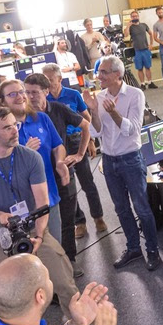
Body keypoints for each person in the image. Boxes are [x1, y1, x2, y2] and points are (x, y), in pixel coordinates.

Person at [0, 106, 83, 320]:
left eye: (14, 125)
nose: (15, 130)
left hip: (33, 229)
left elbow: (42, 201)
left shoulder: (30, 157)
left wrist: (38, 236)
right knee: (10, 297)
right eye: (7, 127)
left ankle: (80, 322)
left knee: (64, 281)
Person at [84, 56, 161, 271]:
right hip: (108, 160)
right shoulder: (99, 97)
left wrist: (114, 113)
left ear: (117, 74)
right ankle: (133, 247)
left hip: (131, 159)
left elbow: (133, 129)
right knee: (121, 208)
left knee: (142, 208)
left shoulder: (135, 95)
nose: (99, 77)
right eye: (99, 73)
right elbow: (96, 131)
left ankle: (153, 250)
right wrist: (93, 110)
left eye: (104, 72)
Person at [23, 74, 90, 275]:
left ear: (46, 91)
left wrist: (79, 154)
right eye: (27, 92)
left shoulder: (58, 110)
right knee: (43, 226)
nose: (30, 97)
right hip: (38, 181)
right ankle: (46, 268)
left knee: (67, 220)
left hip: (62, 173)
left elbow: (85, 125)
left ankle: (69, 260)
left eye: (34, 92)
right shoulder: (23, 118)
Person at [0, 79, 72, 247]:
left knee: (54, 245)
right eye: (12, 94)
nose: (20, 97)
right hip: (19, 204)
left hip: (47, 195)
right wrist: (23, 151)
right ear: (2, 101)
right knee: (27, 250)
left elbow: (57, 145)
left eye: (22, 91)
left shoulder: (41, 119)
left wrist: (59, 161)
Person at [43, 64, 107, 240]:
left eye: (50, 79)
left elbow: (86, 119)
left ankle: (98, 217)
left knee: (87, 182)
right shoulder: (44, 99)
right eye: (44, 80)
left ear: (59, 79)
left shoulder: (73, 95)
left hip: (77, 141)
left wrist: (91, 141)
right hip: (58, 147)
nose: (47, 83)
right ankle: (80, 222)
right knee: (67, 187)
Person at [125, 9, 155, 88]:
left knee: (148, 67)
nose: (135, 17)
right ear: (131, 17)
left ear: (138, 16)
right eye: (133, 16)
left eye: (136, 16)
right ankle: (142, 84)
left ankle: (150, 82)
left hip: (146, 49)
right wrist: (128, 25)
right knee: (140, 68)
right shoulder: (130, 27)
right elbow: (125, 35)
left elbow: (151, 34)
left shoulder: (144, 25)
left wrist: (151, 44)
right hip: (136, 51)